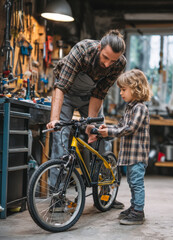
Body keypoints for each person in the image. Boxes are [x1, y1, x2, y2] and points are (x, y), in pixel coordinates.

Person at [46, 29, 127, 209]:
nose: (107, 64)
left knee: (102, 139)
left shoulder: (119, 63)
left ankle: (106, 194)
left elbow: (99, 93)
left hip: (90, 97)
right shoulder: (81, 50)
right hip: (66, 95)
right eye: (105, 57)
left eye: (112, 60)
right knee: (59, 141)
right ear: (99, 47)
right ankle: (57, 198)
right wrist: (54, 119)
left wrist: (90, 125)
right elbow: (61, 86)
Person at [98, 69, 153, 224]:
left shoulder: (140, 108)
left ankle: (138, 212)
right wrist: (106, 130)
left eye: (123, 89)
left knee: (136, 183)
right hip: (129, 156)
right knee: (131, 182)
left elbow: (129, 129)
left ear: (135, 88)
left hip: (137, 156)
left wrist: (110, 131)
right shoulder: (129, 107)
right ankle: (134, 206)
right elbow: (121, 125)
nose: (121, 93)